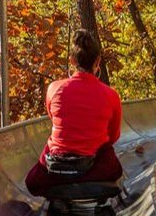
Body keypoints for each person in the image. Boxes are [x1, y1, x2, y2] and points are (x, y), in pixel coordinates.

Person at [25, 29, 123, 198]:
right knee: (112, 163)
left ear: (72, 60)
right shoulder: (111, 96)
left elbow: (53, 118)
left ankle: (60, 183)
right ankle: (87, 184)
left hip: (57, 166)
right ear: (97, 61)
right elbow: (113, 136)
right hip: (91, 166)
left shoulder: (54, 89)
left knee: (34, 179)